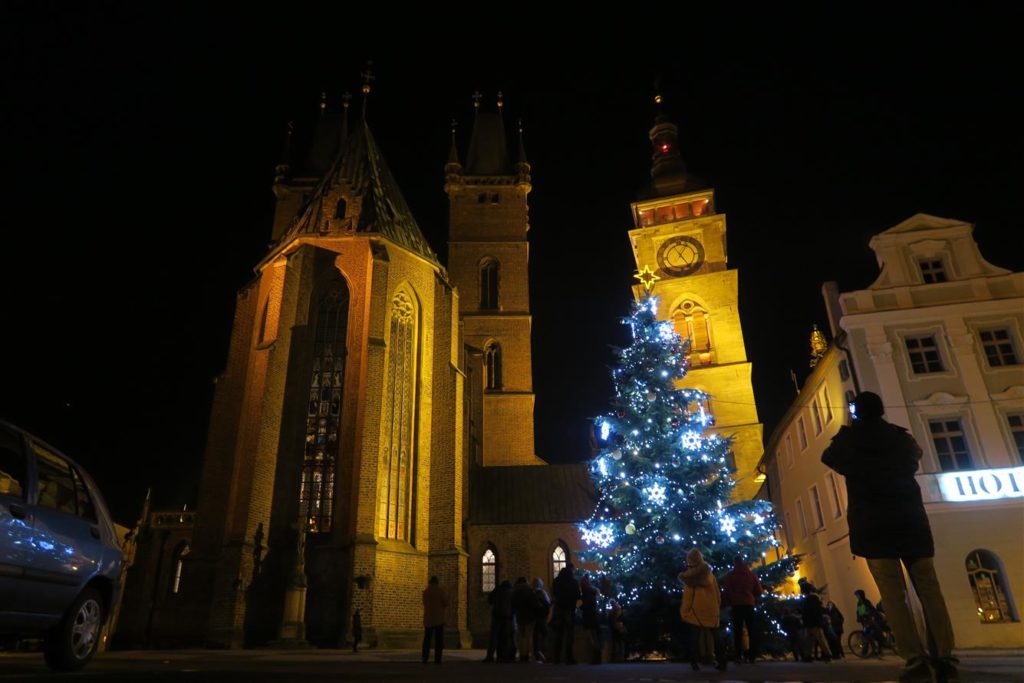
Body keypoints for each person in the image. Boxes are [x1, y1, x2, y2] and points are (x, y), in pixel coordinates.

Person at [823, 392, 957, 683]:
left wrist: (848, 430)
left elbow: (829, 458)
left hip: (873, 525)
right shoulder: (900, 438)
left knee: (894, 596)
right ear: (882, 410)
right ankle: (944, 656)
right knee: (930, 591)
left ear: (856, 412)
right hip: (910, 521)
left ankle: (914, 659)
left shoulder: (850, 440)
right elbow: (915, 458)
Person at [678, 548, 724, 672]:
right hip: (711, 609)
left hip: (696, 611)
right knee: (715, 636)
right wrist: (716, 605)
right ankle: (722, 661)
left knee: (694, 638)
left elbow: (688, 598)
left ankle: (694, 663)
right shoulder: (710, 574)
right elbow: (717, 592)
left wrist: (685, 612)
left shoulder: (689, 578)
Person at [721, 554, 763, 663]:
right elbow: (759, 590)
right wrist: (751, 596)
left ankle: (738, 655)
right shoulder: (751, 575)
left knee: (737, 631)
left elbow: (727, 591)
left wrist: (728, 601)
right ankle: (752, 656)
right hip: (749, 604)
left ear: (734, 563)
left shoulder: (731, 576)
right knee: (751, 630)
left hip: (736, 605)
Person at [550, 563, 581, 664]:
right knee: (569, 634)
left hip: (559, 609)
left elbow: (553, 594)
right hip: (569, 609)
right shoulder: (573, 582)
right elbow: (577, 595)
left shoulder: (557, 581)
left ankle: (556, 657)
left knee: (558, 634)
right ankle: (569, 657)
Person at [484, 579, 514, 662]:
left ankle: (490, 656)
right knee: (505, 637)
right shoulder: (512, 592)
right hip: (507, 617)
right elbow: (514, 605)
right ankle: (503, 656)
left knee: (494, 637)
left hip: (496, 616)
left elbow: (490, 600)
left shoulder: (497, 590)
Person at [511, 576, 539, 662]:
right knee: (528, 636)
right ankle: (528, 655)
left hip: (519, 616)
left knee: (521, 636)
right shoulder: (529, 590)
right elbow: (535, 603)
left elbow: (513, 604)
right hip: (529, 617)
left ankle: (522, 655)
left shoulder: (515, 591)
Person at [421, 576, 448, 664]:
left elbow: (424, 603)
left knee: (427, 639)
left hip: (428, 618)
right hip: (439, 619)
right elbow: (445, 603)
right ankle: (437, 659)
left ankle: (425, 657)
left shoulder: (426, 592)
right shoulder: (440, 591)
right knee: (438, 640)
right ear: (437, 582)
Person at [801, 592, 832, 662]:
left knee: (809, 641)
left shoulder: (806, 604)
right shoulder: (816, 604)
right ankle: (828, 654)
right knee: (821, 640)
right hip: (816, 624)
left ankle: (808, 656)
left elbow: (805, 615)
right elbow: (818, 615)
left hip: (809, 625)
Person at [579, 575, 601, 664]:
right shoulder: (592, 592)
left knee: (591, 637)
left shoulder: (586, 593)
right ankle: (596, 656)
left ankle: (595, 656)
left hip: (589, 617)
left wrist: (581, 607)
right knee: (594, 637)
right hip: (593, 616)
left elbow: (586, 605)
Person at [532, 578, 551, 662]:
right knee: (544, 635)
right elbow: (548, 604)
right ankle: (544, 655)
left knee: (536, 637)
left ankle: (537, 654)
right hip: (542, 617)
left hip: (535, 618)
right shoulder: (543, 593)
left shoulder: (532, 593)